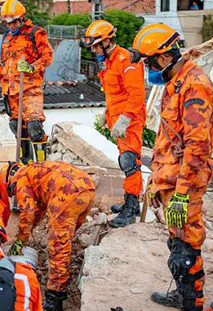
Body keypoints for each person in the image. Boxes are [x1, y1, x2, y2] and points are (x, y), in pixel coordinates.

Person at [129, 23, 213, 311]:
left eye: (149, 62)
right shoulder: (176, 77)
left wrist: (181, 192)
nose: (148, 69)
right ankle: (183, 295)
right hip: (171, 180)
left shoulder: (195, 86)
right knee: (175, 244)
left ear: (164, 58)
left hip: (186, 184)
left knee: (185, 252)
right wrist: (156, 182)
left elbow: (197, 146)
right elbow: (172, 138)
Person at [1, 161, 95, 311]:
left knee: (58, 247)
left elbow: (28, 211)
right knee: (64, 241)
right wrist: (29, 231)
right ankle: (62, 277)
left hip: (67, 192)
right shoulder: (34, 171)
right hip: (86, 188)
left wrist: (20, 240)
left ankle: (54, 304)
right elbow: (38, 210)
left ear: (9, 180)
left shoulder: (20, 178)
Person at [81, 20, 147, 228]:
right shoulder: (110, 61)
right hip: (118, 118)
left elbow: (136, 94)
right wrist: (107, 113)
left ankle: (131, 208)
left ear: (107, 42)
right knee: (125, 161)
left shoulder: (125, 59)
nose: (93, 50)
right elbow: (115, 93)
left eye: (95, 46)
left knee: (130, 162)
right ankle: (131, 201)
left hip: (130, 120)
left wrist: (125, 117)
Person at [0, 0, 53, 164]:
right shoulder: (6, 37)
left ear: (22, 18)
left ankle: (41, 163)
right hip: (11, 92)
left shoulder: (35, 33)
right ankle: (26, 162)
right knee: (17, 128)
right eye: (7, 23)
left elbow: (47, 56)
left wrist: (32, 67)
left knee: (34, 128)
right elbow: (1, 63)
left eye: (13, 22)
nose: (10, 26)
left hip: (30, 90)